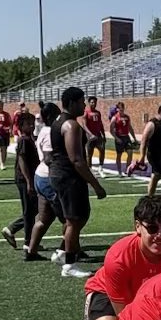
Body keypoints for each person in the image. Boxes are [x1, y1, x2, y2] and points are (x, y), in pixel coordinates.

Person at [49, 87, 107, 278]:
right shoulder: (70, 125)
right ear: (72, 103)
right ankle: (69, 264)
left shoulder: (58, 122)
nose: (84, 105)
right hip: (68, 176)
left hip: (59, 173)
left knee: (73, 218)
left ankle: (63, 252)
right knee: (75, 219)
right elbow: (76, 159)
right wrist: (95, 184)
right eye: (82, 102)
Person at [25, 102, 65, 261]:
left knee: (43, 218)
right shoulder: (50, 131)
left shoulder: (42, 130)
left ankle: (31, 251)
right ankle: (68, 249)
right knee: (69, 219)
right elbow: (49, 158)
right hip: (49, 178)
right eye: (57, 115)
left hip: (40, 176)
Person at [0, 112, 39, 252]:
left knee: (34, 209)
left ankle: (13, 230)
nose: (32, 125)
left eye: (32, 123)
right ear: (21, 125)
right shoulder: (24, 140)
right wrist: (29, 181)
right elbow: (22, 161)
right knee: (30, 210)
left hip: (29, 178)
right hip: (24, 179)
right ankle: (28, 241)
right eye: (28, 123)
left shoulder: (30, 138)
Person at [110, 100, 137, 176]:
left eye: (123, 109)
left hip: (126, 136)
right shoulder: (115, 118)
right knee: (119, 155)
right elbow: (111, 130)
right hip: (119, 137)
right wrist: (116, 138)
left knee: (130, 153)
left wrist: (134, 138)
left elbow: (130, 128)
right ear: (117, 109)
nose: (121, 110)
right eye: (120, 109)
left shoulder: (127, 117)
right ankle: (119, 171)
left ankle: (127, 170)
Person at [82, 96, 107, 177]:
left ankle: (100, 167)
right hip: (90, 137)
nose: (93, 104)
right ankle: (90, 169)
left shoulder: (98, 113)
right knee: (89, 154)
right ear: (89, 103)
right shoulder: (86, 112)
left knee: (102, 150)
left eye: (95, 102)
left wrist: (103, 134)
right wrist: (90, 134)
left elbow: (100, 124)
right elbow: (84, 125)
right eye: (92, 102)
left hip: (98, 135)